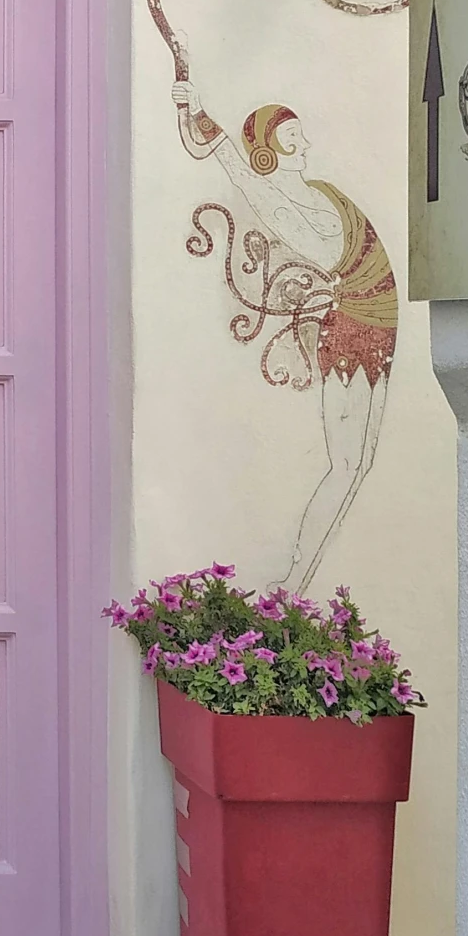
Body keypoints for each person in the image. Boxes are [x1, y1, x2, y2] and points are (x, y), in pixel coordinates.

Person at [172, 83, 397, 588]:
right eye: (293, 136)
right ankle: (293, 584)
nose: (306, 144)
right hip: (354, 325)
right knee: (345, 465)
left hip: (380, 317)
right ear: (269, 152)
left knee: (360, 465)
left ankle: (299, 582)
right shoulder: (285, 207)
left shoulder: (317, 194)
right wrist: (197, 114)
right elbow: (245, 179)